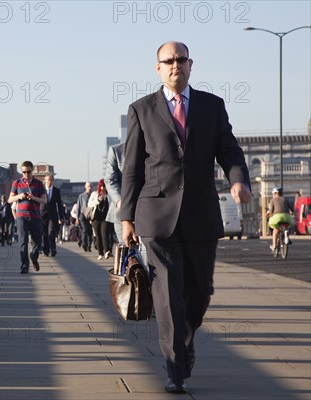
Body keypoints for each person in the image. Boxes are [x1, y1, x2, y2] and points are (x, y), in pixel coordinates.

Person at [120, 42, 251, 394]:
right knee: (165, 293)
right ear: (158, 68)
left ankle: (186, 341)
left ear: (191, 64)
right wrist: (126, 218)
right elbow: (131, 169)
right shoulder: (140, 109)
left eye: (181, 60)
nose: (175, 65)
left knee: (199, 292)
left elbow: (229, 149)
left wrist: (238, 180)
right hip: (156, 215)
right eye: (168, 61)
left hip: (201, 214)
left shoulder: (212, 106)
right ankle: (175, 367)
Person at [8, 161, 47, 274]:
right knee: (23, 242)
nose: (26, 174)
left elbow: (44, 200)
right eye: (23, 172)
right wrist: (20, 196)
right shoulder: (17, 183)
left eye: (28, 172)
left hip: (35, 216)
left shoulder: (38, 184)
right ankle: (24, 266)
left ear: (32, 170)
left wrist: (33, 197)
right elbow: (10, 199)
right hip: (21, 216)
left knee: (37, 241)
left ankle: (34, 256)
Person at [104, 142, 125, 243]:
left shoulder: (154, 148)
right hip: (122, 209)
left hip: (148, 210)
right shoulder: (116, 151)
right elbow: (110, 180)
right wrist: (119, 201)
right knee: (126, 248)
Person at [41, 173, 65, 257]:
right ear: (45, 181)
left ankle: (53, 249)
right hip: (42, 214)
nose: (49, 182)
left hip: (52, 214)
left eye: (50, 180)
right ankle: (45, 249)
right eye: (47, 180)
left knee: (51, 232)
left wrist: (61, 217)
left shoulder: (56, 190)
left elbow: (59, 204)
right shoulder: (41, 190)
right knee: (44, 233)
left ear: (53, 181)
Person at [88, 179, 112, 260]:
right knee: (98, 236)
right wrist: (98, 200)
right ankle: (100, 253)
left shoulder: (109, 195)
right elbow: (89, 204)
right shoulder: (95, 194)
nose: (102, 188)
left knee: (104, 234)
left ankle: (107, 251)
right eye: (101, 186)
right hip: (96, 218)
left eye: (104, 186)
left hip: (106, 218)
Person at [76, 182, 93, 252]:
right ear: (85, 187)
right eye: (88, 186)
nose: (89, 188)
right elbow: (78, 207)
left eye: (90, 186)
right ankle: (84, 244)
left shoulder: (93, 195)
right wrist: (77, 217)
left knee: (90, 231)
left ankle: (89, 246)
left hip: (91, 215)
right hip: (83, 215)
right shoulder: (81, 196)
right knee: (84, 229)